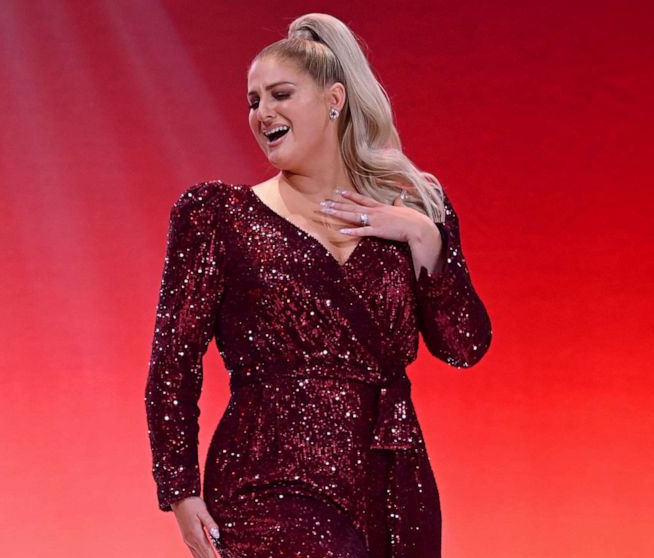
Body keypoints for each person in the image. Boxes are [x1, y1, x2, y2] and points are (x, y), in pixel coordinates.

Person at [145, 12, 492, 558]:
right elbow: (173, 361)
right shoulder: (219, 215)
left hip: (394, 476)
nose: (263, 113)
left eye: (280, 94)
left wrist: (426, 239)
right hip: (266, 471)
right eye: (253, 101)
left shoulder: (414, 211)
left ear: (334, 100)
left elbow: (465, 347)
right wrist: (180, 488)